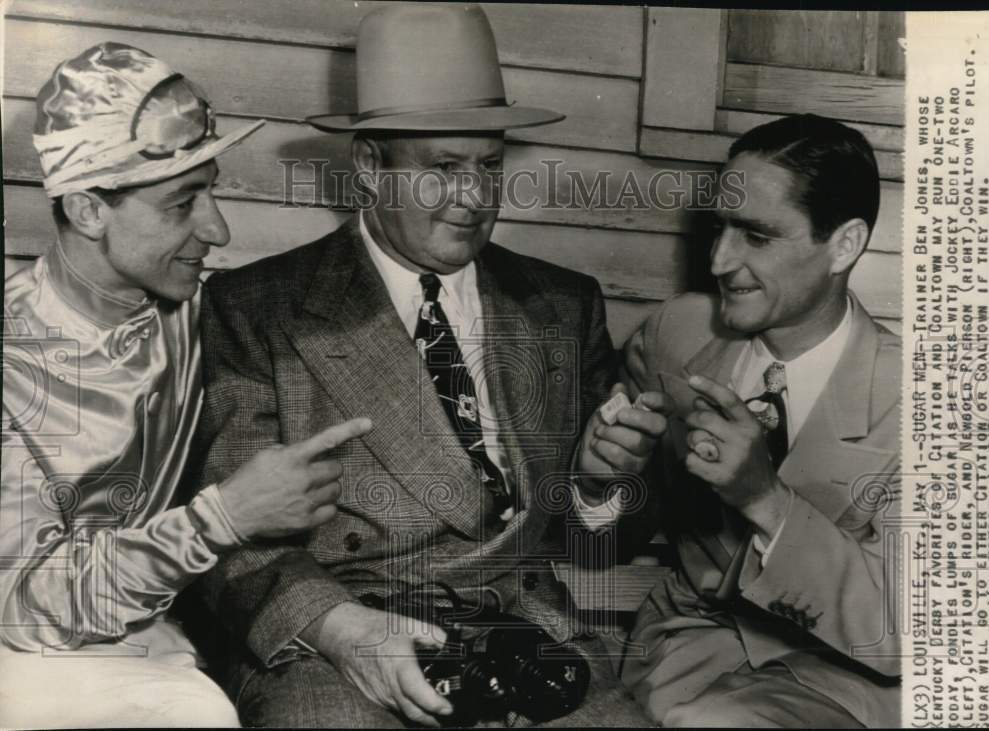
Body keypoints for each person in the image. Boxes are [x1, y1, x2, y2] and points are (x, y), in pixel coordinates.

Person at [193, 4, 666, 727]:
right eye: (443, 168)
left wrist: (606, 483)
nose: (475, 198)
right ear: (370, 165)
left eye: (489, 166)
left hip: (528, 637)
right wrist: (348, 633)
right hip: (340, 640)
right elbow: (233, 541)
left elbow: (595, 540)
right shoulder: (257, 308)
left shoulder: (561, 305)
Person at [1, 42, 370, 728]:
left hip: (157, 643)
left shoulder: (202, 313)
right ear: (87, 209)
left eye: (212, 188)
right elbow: (25, 609)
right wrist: (221, 517)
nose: (218, 228)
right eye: (181, 203)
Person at [620, 113, 901, 728]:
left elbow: (907, 630)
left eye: (757, 236)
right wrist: (600, 485)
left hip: (847, 679)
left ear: (845, 245)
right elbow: (619, 530)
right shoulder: (675, 332)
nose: (720, 260)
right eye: (721, 229)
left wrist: (766, 501)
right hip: (686, 652)